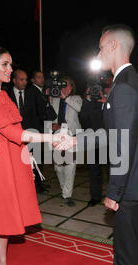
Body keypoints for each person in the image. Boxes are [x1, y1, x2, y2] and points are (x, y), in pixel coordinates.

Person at [59, 24, 138, 265]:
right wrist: (76, 141)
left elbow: (122, 144)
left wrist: (114, 191)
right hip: (134, 179)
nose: (99, 51)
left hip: (129, 182)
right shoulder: (129, 82)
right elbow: (115, 134)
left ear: (113, 45)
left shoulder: (124, 87)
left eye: (101, 46)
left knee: (126, 245)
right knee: (125, 243)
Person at [0, 45, 69, 265]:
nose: (9, 69)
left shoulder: (4, 95)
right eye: (4, 65)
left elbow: (15, 133)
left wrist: (26, 156)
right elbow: (11, 132)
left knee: (7, 215)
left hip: (12, 159)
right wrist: (49, 139)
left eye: (10, 64)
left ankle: (2, 263)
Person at [50, 76, 83, 207]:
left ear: (72, 86)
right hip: (58, 136)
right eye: (63, 85)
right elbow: (51, 116)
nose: (65, 87)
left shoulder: (76, 98)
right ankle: (65, 189)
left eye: (68, 85)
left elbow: (79, 108)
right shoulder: (55, 99)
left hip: (73, 136)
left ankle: (67, 194)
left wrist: (65, 98)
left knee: (70, 166)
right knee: (58, 167)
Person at [78, 83, 110, 206]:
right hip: (94, 141)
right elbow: (83, 119)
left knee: (112, 172)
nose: (96, 93)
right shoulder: (88, 103)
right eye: (93, 90)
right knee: (94, 171)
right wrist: (87, 98)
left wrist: (106, 102)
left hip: (109, 141)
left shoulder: (109, 101)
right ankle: (95, 197)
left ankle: (114, 197)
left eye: (98, 90)